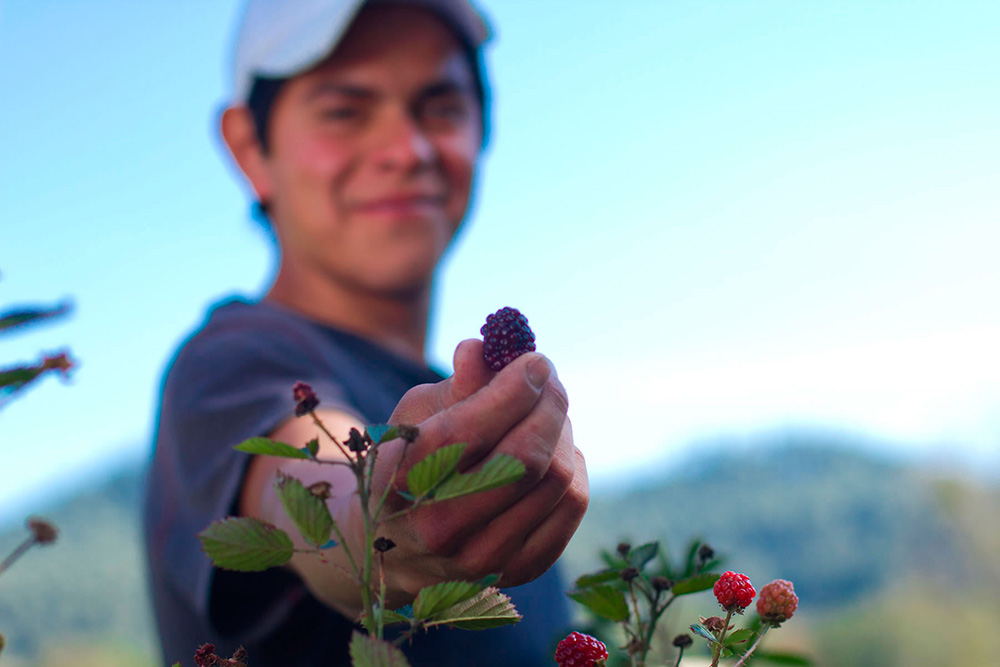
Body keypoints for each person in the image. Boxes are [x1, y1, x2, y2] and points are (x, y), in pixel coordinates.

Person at [142, 1, 590, 665]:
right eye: (345, 110)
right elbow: (321, 482)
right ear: (249, 149)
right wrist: (382, 519)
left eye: (440, 106)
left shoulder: (475, 417)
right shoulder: (229, 364)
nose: (405, 149)